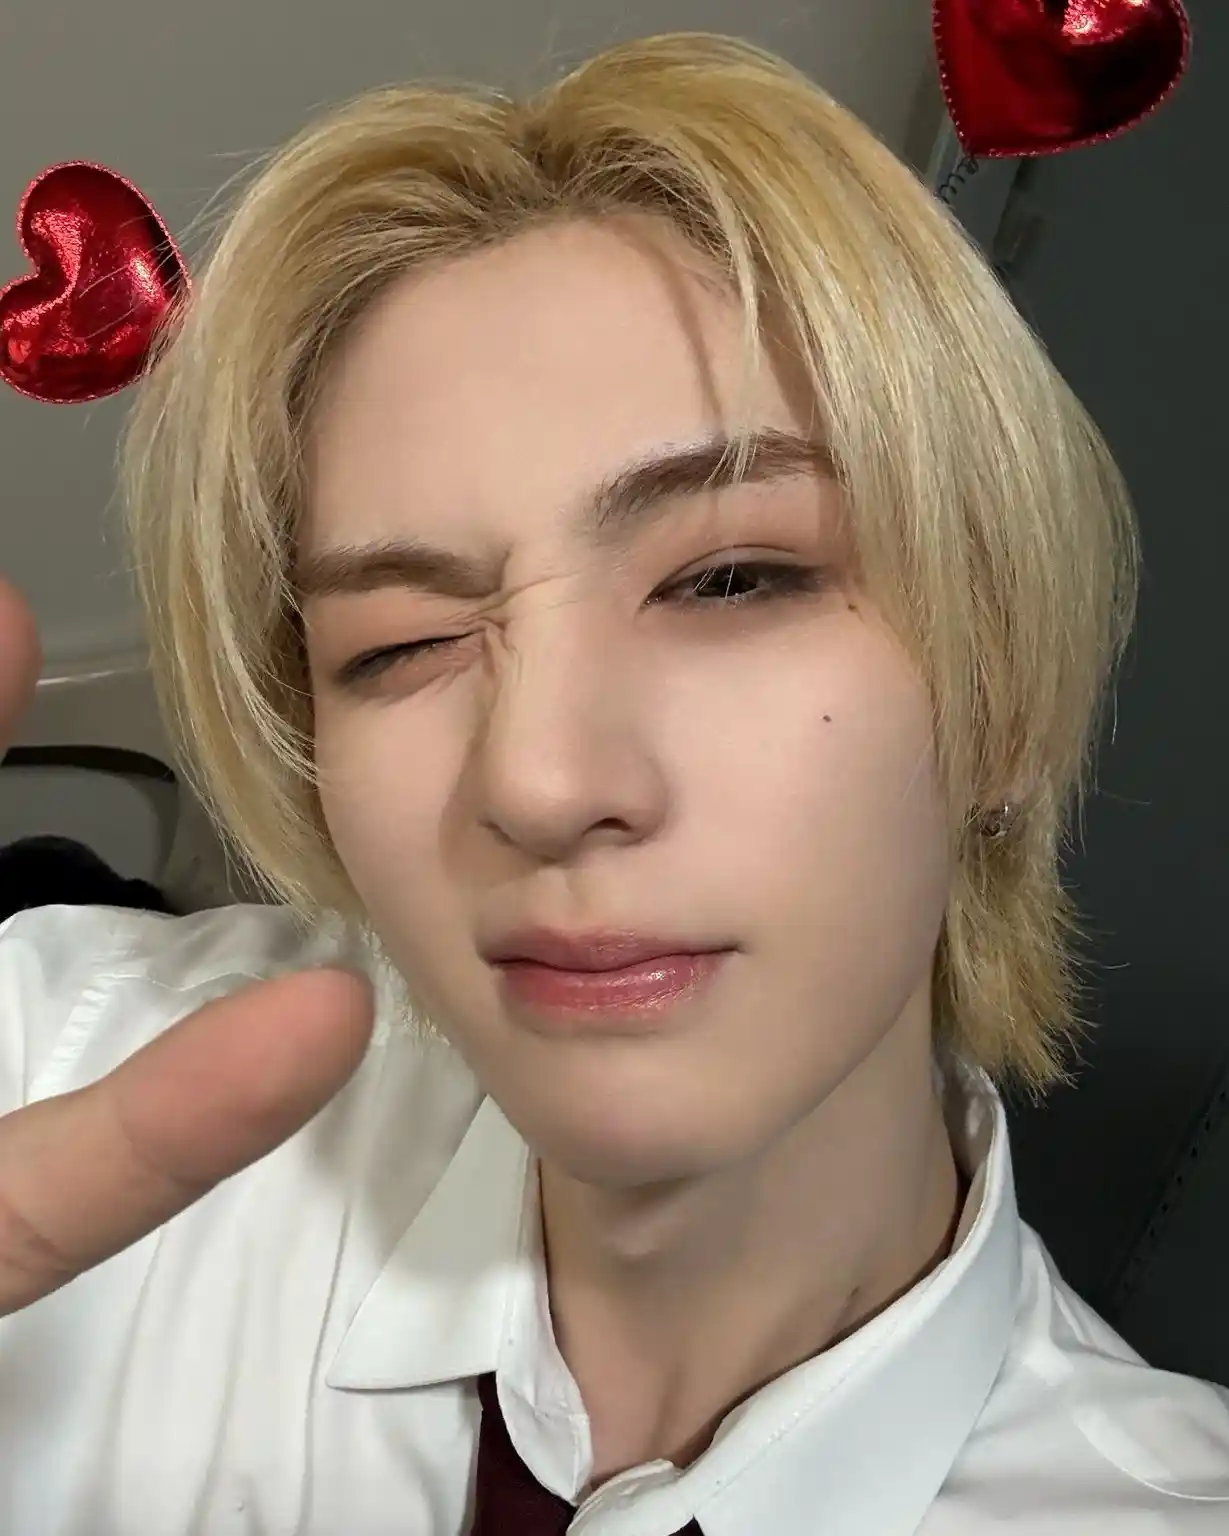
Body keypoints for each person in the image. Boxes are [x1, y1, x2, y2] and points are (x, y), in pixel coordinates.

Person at [0, 29, 1225, 1536]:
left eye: (729, 579)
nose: (538, 779)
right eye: (400, 645)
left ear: (1005, 691)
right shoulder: (64, 1066)